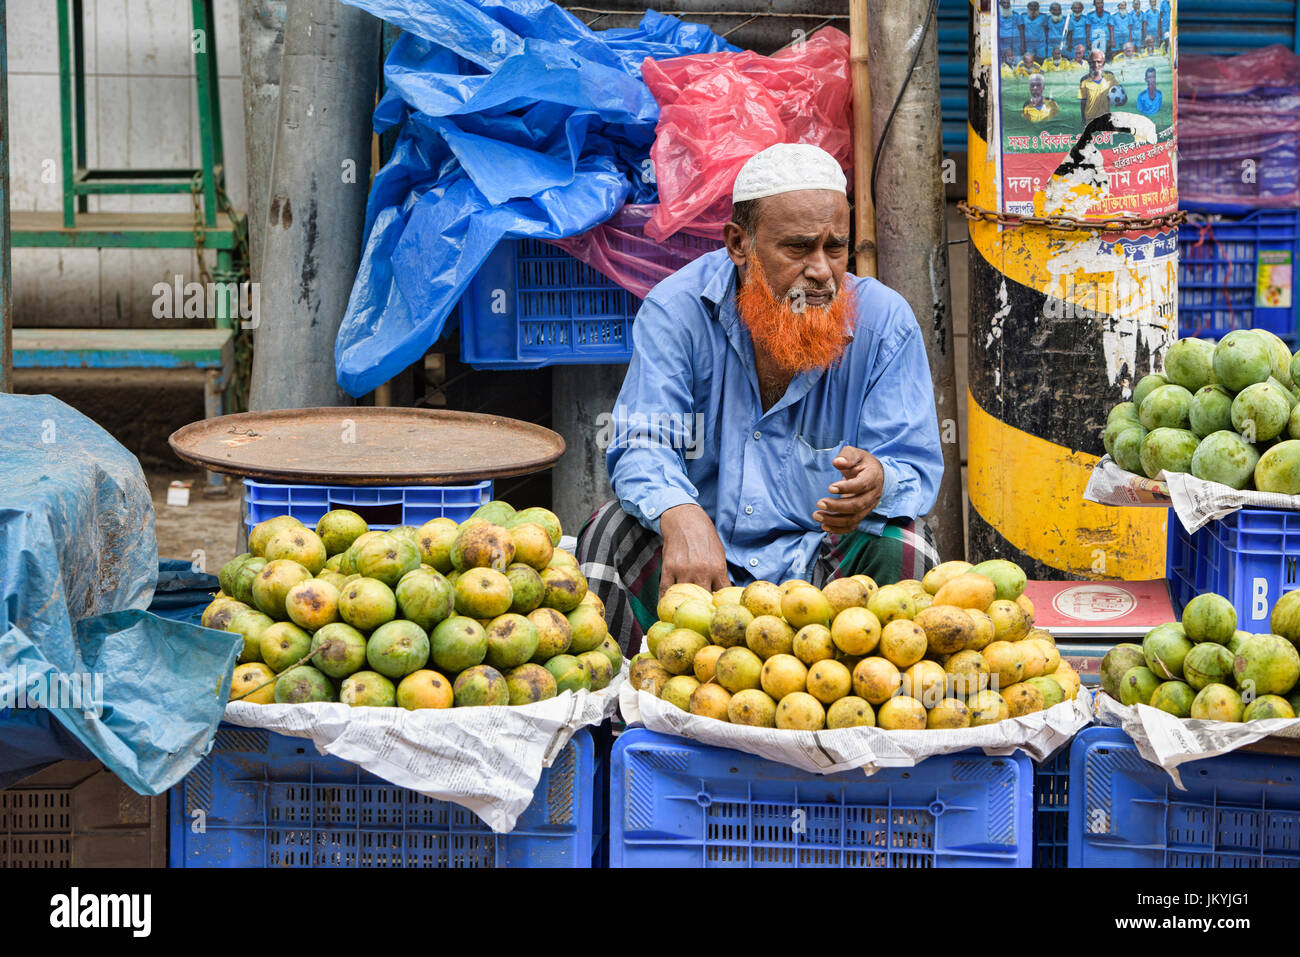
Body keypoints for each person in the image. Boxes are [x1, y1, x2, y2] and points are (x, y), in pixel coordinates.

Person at [578, 144, 944, 655]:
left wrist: (881, 480)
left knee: (907, 548)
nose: (821, 271)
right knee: (608, 534)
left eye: (835, 248)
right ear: (738, 244)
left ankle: (880, 728)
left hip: (825, 572)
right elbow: (642, 441)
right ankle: (617, 720)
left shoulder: (884, 323)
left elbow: (915, 465)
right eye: (797, 249)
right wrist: (679, 510)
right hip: (700, 571)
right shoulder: (676, 311)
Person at [1078, 47, 1119, 121]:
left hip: (1105, 119)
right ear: (1089, 62)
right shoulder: (1084, 80)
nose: (1096, 65)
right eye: (1093, 62)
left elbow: (1119, 96)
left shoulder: (1110, 77)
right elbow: (1083, 102)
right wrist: (1083, 119)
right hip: (1090, 120)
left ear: (1103, 62)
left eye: (1099, 62)